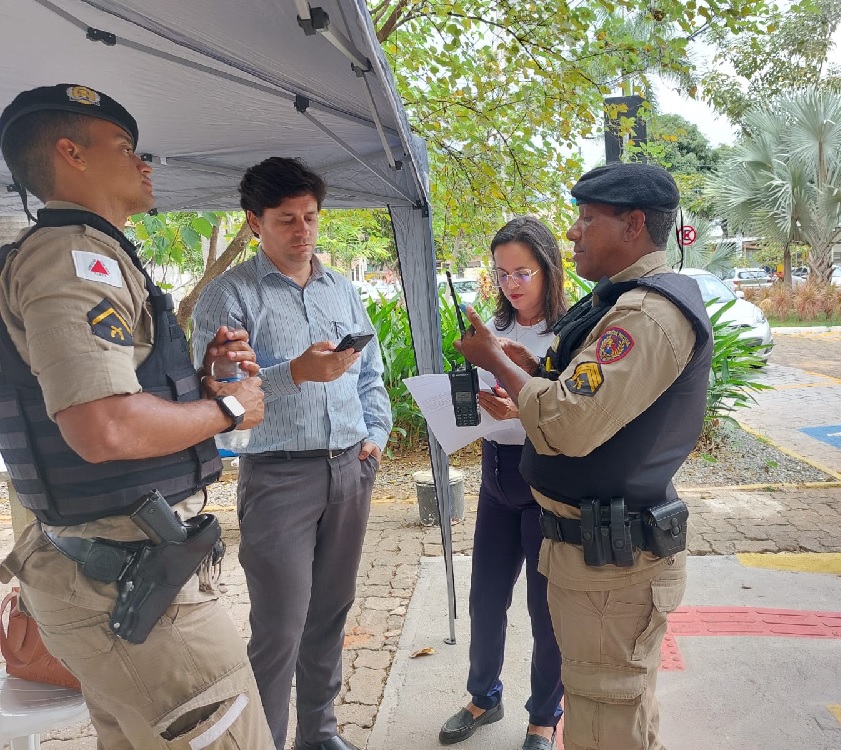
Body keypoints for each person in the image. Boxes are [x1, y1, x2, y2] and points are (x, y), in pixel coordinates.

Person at [0, 83, 272, 746]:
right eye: (127, 149)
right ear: (71, 154)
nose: (146, 164)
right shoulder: (73, 260)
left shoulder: (83, 253)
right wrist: (229, 408)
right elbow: (106, 426)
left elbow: (115, 398)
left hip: (112, 573)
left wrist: (198, 387)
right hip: (128, 582)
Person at [455, 162, 714, 750]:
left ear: (633, 225)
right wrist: (521, 365)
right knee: (613, 711)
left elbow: (569, 422)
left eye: (587, 218)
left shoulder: (645, 316)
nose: (572, 231)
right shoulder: (619, 304)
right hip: (595, 554)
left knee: (604, 721)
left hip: (610, 571)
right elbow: (578, 385)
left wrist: (495, 361)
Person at [192, 156, 392, 750]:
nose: (302, 231)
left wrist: (375, 435)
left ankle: (319, 734)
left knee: (330, 615)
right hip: (278, 476)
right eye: (286, 220)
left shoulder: (340, 287)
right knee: (279, 627)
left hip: (350, 469)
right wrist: (296, 373)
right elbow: (224, 393)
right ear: (254, 222)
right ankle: (265, 742)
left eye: (310, 217)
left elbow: (370, 372)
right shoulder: (229, 298)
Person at [439, 217, 568, 750]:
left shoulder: (568, 334)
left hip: (543, 484)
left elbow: (567, 413)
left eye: (523, 272)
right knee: (486, 600)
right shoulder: (492, 332)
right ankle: (482, 697)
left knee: (546, 611)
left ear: (548, 271)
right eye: (501, 273)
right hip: (496, 476)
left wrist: (521, 399)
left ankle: (543, 715)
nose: (512, 284)